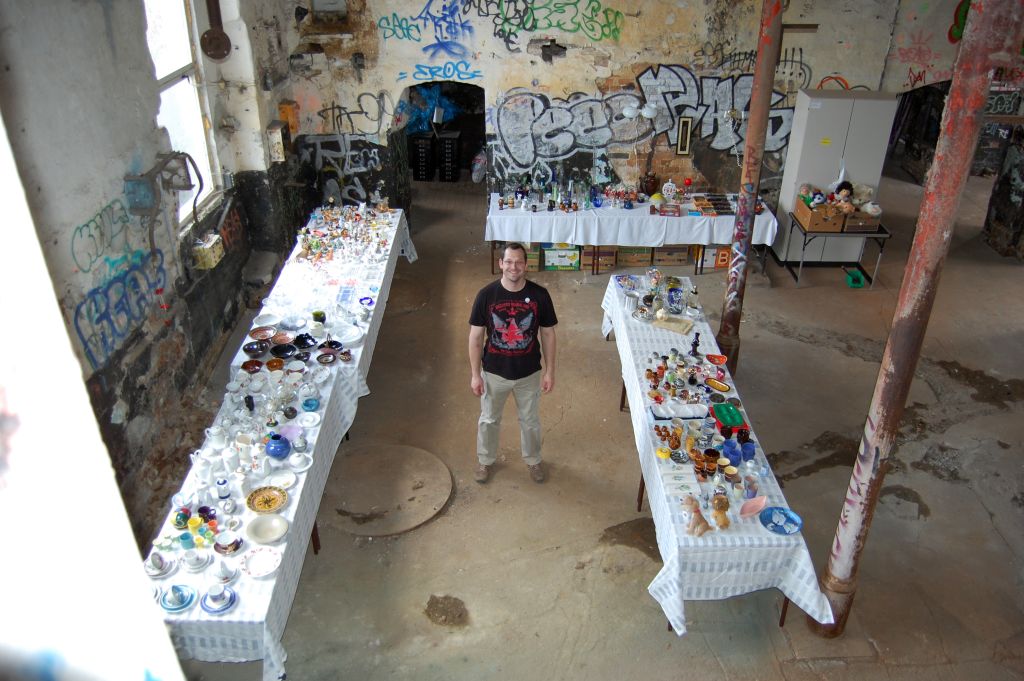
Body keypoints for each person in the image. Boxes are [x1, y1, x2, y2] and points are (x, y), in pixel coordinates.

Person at [469, 243, 557, 484]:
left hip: (529, 373)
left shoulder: (540, 295)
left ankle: (533, 460)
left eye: (519, 262)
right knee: (488, 420)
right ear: (500, 264)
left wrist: (550, 372)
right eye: (508, 261)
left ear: (526, 265)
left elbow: (548, 334)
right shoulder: (486, 295)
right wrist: (475, 374)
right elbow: (475, 337)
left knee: (530, 421)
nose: (513, 267)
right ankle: (485, 460)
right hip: (494, 373)